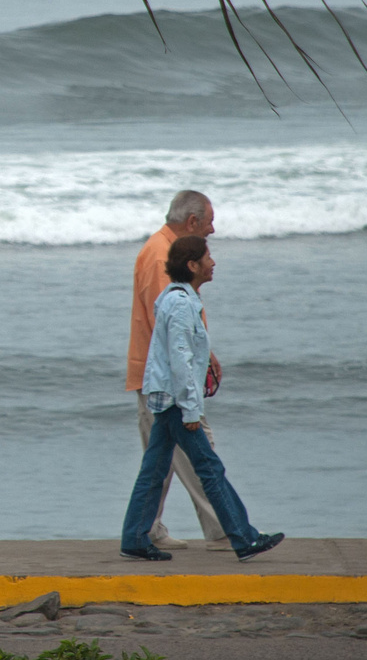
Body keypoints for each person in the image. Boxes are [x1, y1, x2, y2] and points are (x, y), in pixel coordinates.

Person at [119, 235, 283, 562]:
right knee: (209, 468)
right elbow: (180, 359)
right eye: (208, 257)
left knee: (154, 470)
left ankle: (135, 538)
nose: (213, 263)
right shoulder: (180, 304)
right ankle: (243, 537)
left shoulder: (175, 298)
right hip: (177, 404)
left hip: (166, 400)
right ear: (193, 265)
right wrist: (191, 410)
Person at [125, 190, 230, 550]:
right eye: (209, 223)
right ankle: (226, 527)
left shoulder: (162, 248)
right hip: (167, 380)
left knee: (161, 461)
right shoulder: (162, 254)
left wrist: (205, 352)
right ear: (192, 222)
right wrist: (192, 374)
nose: (212, 231)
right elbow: (169, 324)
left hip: (161, 376)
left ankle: (146, 530)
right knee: (199, 452)